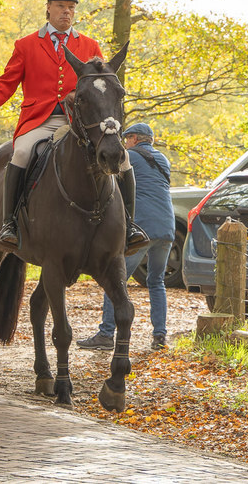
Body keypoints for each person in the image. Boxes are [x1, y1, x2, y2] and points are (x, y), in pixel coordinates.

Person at [0, 0, 147, 253]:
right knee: (21, 153)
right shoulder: (26, 45)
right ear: (48, 8)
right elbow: (5, 84)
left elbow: (100, 88)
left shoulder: (90, 46)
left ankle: (130, 226)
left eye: (71, 7)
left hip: (80, 124)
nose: (66, 12)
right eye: (61, 6)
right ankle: (9, 223)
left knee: (124, 158)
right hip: (40, 121)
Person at [78, 123, 172, 351]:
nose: (124, 142)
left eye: (126, 138)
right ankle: (159, 335)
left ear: (134, 139)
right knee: (156, 281)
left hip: (142, 227)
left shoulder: (128, 157)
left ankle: (106, 334)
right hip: (167, 227)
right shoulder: (163, 159)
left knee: (115, 281)